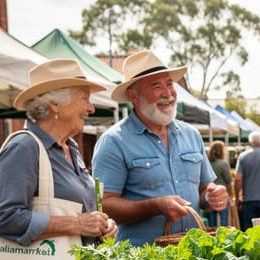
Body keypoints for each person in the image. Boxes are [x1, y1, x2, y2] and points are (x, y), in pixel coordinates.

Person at [0, 59, 118, 260]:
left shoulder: (70, 148)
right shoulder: (23, 148)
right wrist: (76, 223)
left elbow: (83, 210)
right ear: (55, 104)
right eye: (85, 98)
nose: (91, 108)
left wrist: (102, 226)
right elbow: (3, 217)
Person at [92, 50, 228, 246]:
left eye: (169, 84)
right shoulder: (114, 141)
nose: (168, 93)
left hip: (194, 257)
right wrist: (155, 206)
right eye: (156, 86)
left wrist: (212, 196)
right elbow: (103, 205)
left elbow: (203, 191)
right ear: (134, 96)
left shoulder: (191, 135)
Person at [233, 132, 260, 230]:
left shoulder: (243, 156)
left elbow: (238, 178)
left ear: (250, 143)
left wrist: (236, 197)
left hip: (248, 199)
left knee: (249, 231)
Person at [204, 141, 232, 228]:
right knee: (224, 223)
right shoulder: (223, 164)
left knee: (212, 224)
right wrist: (230, 194)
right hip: (222, 195)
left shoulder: (207, 163)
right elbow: (229, 180)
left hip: (210, 195)